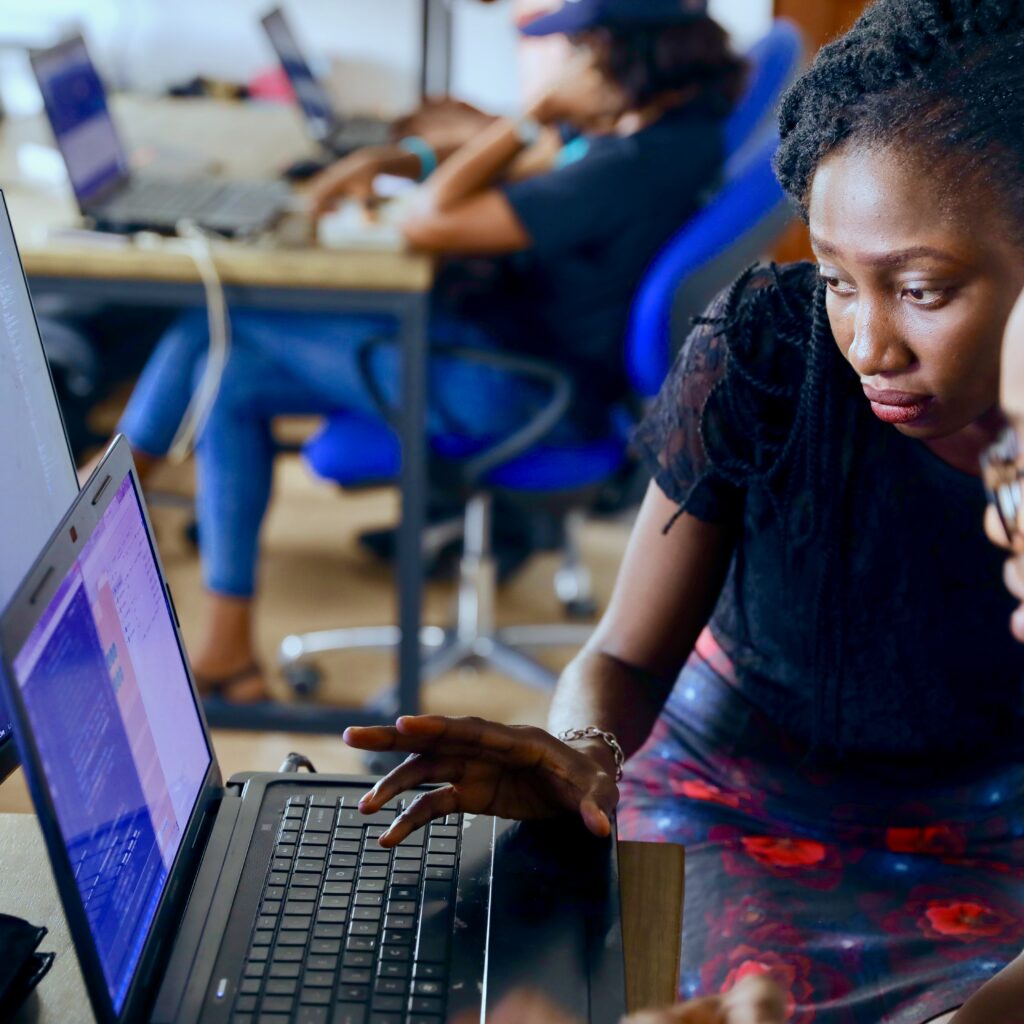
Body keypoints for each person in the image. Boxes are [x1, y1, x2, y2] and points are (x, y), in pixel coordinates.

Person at [344, 1, 1024, 1020]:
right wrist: (587, 759)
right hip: (740, 785)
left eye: (923, 290)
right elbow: (619, 659)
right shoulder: (765, 354)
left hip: (998, 823)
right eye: (838, 280)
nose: (869, 344)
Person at [108, 0, 745, 703]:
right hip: (509, 353)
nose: (563, 68)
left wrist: (530, 112)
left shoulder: (631, 164)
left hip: (516, 388)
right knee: (227, 375)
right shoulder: (663, 132)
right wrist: (397, 154)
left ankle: (110, 494)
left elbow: (431, 219)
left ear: (624, 57)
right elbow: (535, 163)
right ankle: (225, 648)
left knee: (219, 313)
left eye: (577, 52)